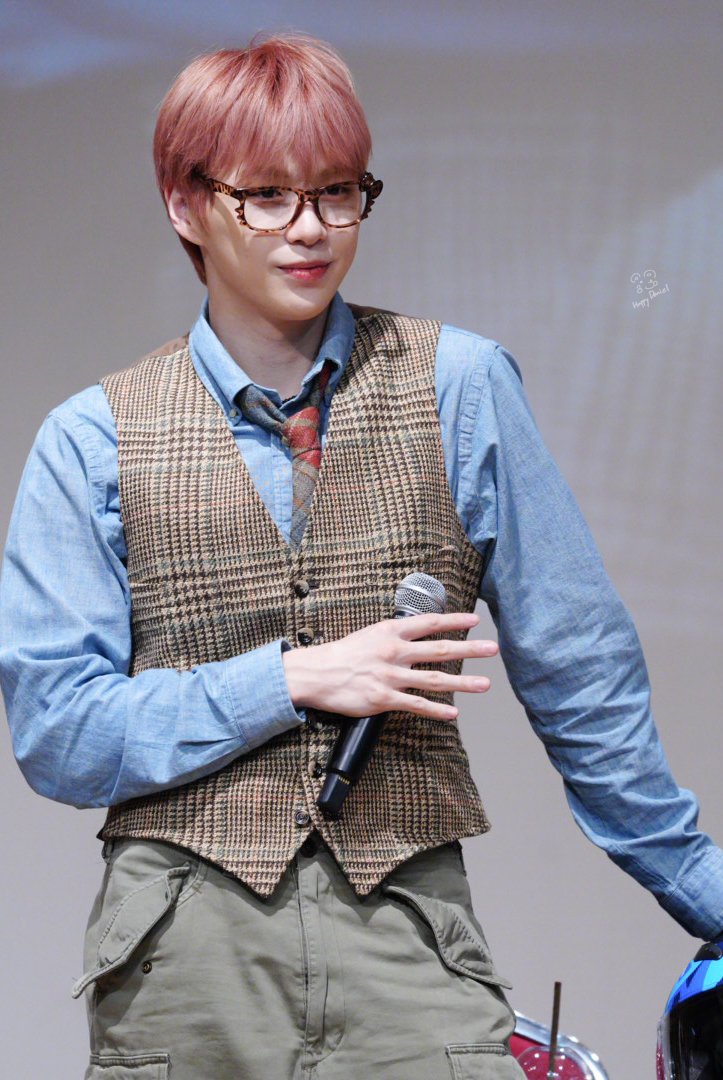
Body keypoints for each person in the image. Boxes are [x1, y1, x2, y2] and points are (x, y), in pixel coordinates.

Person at [1, 32, 722, 1080]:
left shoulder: (460, 385)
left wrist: (703, 890)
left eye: (338, 192)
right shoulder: (92, 438)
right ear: (186, 203)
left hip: (407, 939)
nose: (311, 229)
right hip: (181, 957)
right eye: (268, 195)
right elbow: (58, 732)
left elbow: (581, 670)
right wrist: (291, 679)